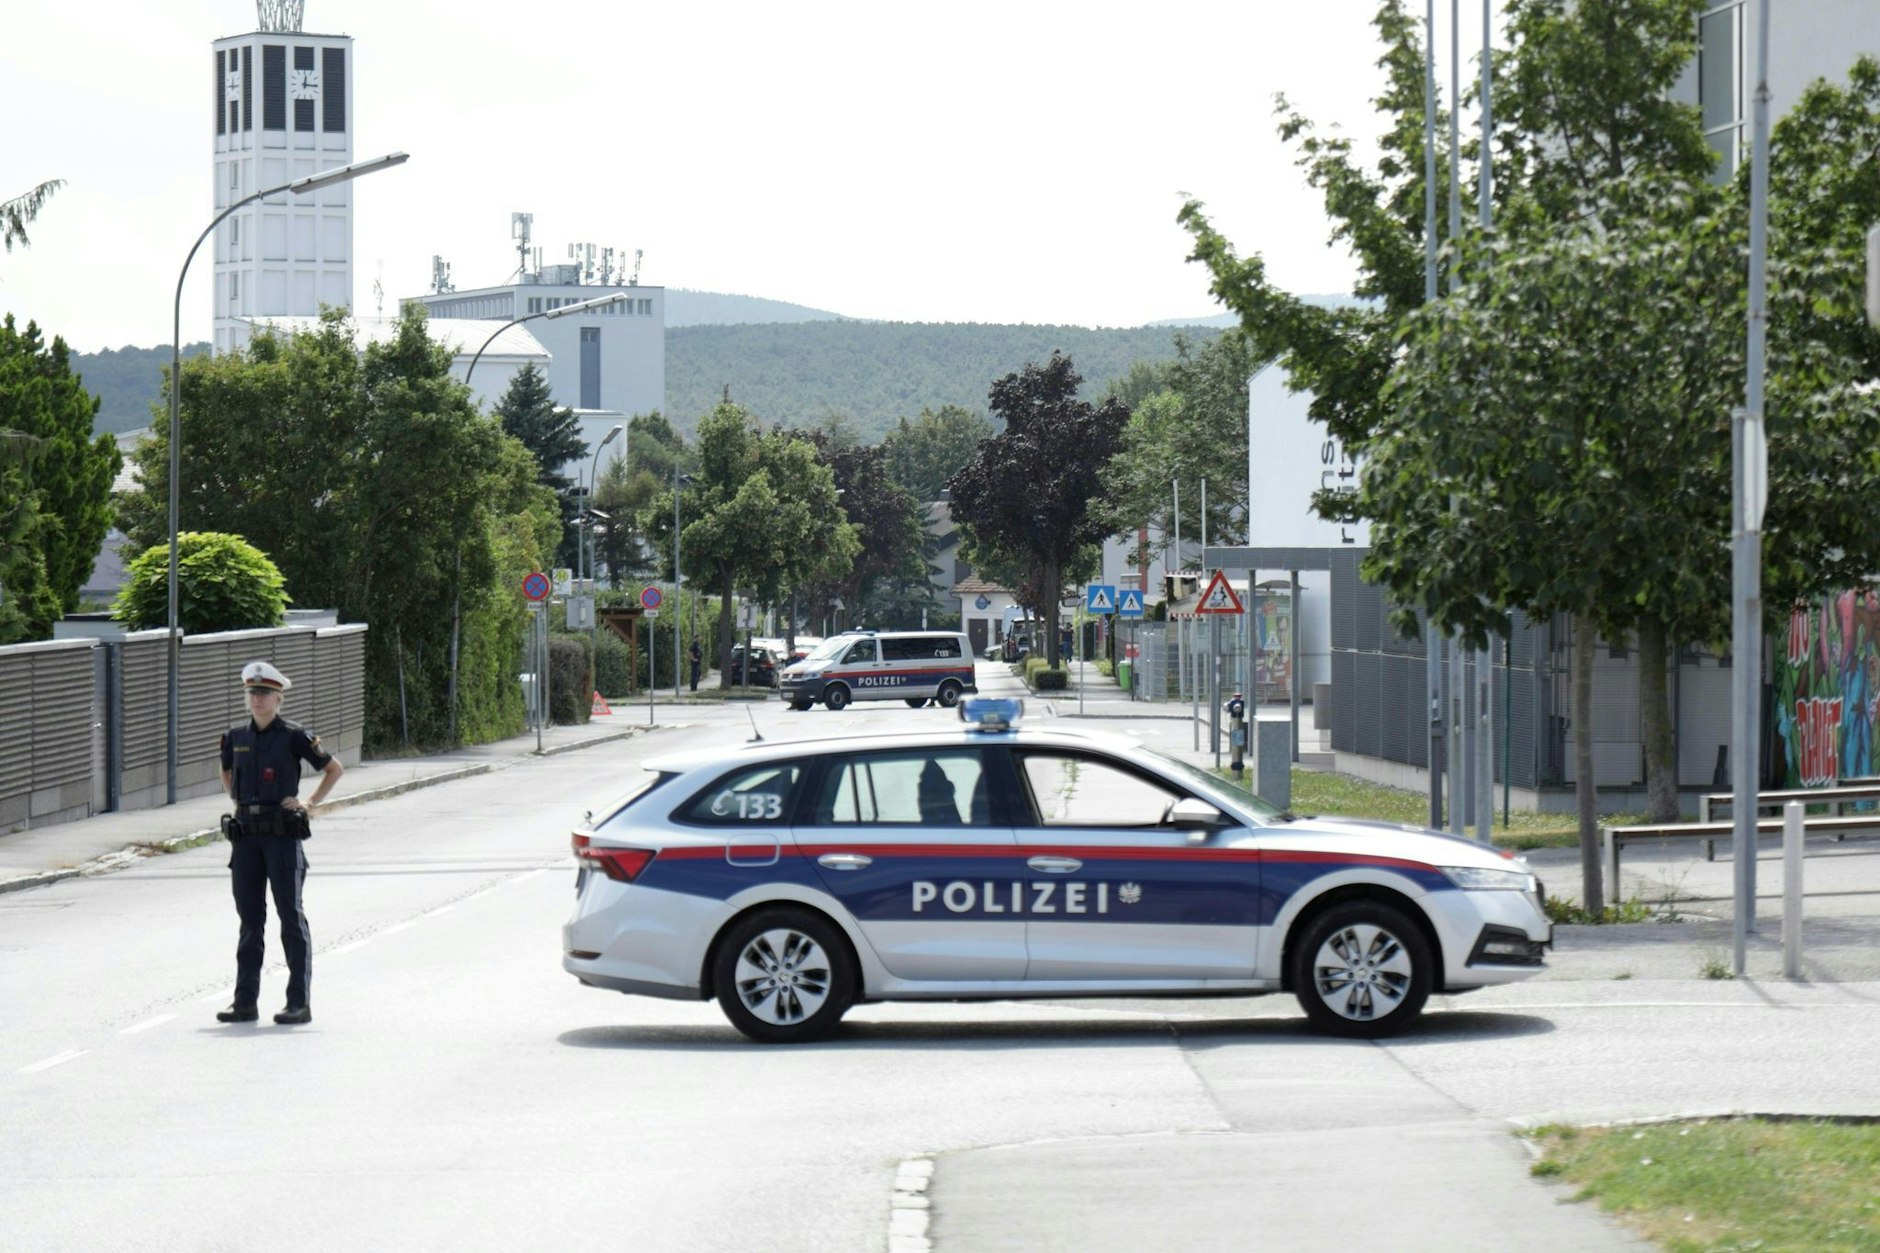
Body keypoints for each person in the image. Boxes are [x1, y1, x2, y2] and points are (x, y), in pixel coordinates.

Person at [216, 660, 343, 1027]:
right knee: (250, 920)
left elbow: (333, 768)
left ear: (278, 697)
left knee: (290, 916)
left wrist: (309, 803)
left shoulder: (294, 736)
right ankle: (245, 1003)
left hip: (281, 837)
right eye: (252, 693)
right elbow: (225, 769)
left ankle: (298, 1003)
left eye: (265, 693)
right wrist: (236, 799)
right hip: (245, 838)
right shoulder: (235, 738)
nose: (257, 699)